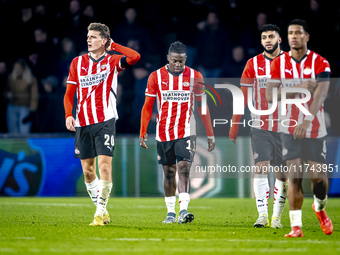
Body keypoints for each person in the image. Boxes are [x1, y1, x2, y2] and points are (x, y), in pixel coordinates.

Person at [63, 22, 140, 226]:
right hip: (83, 122)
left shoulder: (112, 61)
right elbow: (70, 93)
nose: (88, 39)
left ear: (104, 40)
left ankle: (100, 213)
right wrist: (68, 114)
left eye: (93, 36)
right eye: (88, 36)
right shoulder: (77, 63)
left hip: (105, 120)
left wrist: (114, 46)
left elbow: (135, 57)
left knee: (104, 167)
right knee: (88, 172)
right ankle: (102, 210)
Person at [266, 19, 333, 237]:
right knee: (294, 175)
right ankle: (296, 227)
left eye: (298, 33)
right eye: (290, 33)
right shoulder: (278, 63)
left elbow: (322, 93)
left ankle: (320, 209)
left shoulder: (320, 62)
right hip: (288, 127)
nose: (293, 36)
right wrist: (299, 87)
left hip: (314, 128)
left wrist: (308, 119)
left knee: (318, 181)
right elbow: (269, 96)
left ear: (307, 37)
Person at [139, 41, 215, 224]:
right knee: (169, 172)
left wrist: (210, 133)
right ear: (168, 58)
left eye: (181, 61)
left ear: (186, 59)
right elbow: (148, 106)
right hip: (164, 132)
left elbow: (202, 107)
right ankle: (170, 213)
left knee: (184, 169)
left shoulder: (196, 76)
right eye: (174, 61)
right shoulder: (156, 76)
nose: (178, 64)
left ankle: (184, 210)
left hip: (187, 129)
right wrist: (143, 130)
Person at [230, 24, 289, 228]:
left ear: (280, 39)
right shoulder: (252, 64)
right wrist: (234, 124)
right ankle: (262, 215)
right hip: (260, 125)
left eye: (271, 36)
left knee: (283, 174)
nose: (267, 40)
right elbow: (242, 96)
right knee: (261, 168)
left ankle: (277, 218)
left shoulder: (292, 63)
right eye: (264, 37)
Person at [5, 58, 38, 134]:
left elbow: (34, 95)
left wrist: (33, 110)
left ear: (23, 68)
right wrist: (7, 95)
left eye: (18, 68)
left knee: (24, 131)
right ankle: (13, 145)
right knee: (13, 131)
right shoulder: (11, 78)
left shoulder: (31, 79)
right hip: (12, 106)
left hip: (25, 107)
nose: (17, 70)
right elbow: (5, 91)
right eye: (15, 68)